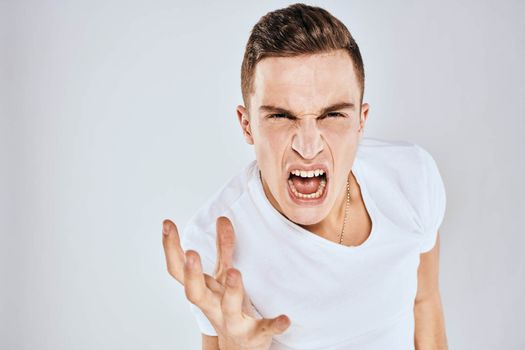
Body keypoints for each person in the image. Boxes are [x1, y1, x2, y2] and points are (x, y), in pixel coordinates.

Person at [162, 3, 448, 350]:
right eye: (282, 116)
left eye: (332, 115)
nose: (308, 146)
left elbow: (425, 301)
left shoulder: (411, 177)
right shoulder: (215, 248)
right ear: (247, 124)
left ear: (361, 120)